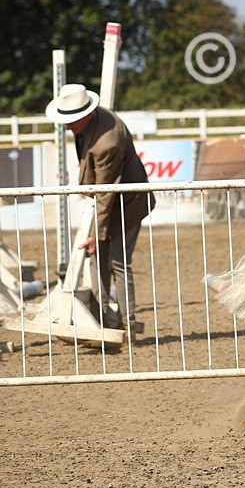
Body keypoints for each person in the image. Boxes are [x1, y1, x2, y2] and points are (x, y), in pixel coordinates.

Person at [45, 84, 155, 333]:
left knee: (118, 261)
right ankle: (102, 318)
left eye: (71, 121)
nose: (67, 126)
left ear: (86, 115)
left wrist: (96, 232)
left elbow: (106, 190)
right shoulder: (91, 122)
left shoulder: (107, 142)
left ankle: (127, 322)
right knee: (98, 259)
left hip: (127, 205)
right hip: (110, 202)